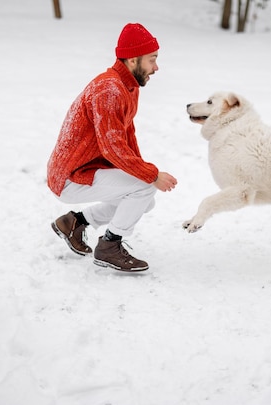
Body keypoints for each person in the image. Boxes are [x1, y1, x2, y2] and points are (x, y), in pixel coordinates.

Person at [47, 23, 177, 272]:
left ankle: (74, 222)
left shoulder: (127, 86)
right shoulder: (109, 89)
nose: (156, 67)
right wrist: (151, 175)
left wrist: (142, 172)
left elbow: (127, 135)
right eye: (152, 60)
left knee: (144, 199)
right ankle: (109, 247)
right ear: (132, 60)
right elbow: (112, 147)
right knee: (143, 189)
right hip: (70, 177)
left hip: (88, 169)